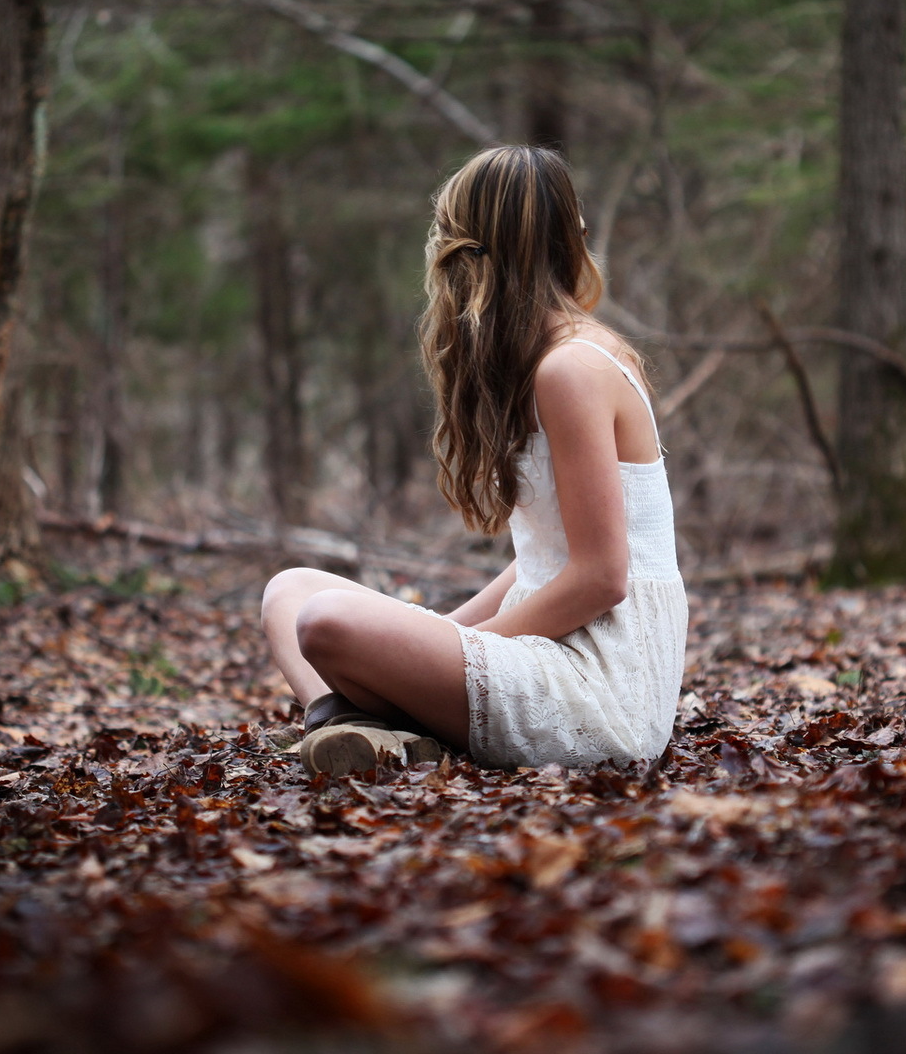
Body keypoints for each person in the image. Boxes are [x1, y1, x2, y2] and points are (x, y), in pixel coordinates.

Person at [259, 145, 688, 774]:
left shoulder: (572, 368)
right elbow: (542, 560)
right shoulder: (546, 361)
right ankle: (369, 731)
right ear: (573, 239)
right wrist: (437, 633)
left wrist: (458, 647)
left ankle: (368, 722)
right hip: (552, 649)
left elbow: (602, 577)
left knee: (324, 622)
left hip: (600, 689)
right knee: (289, 592)